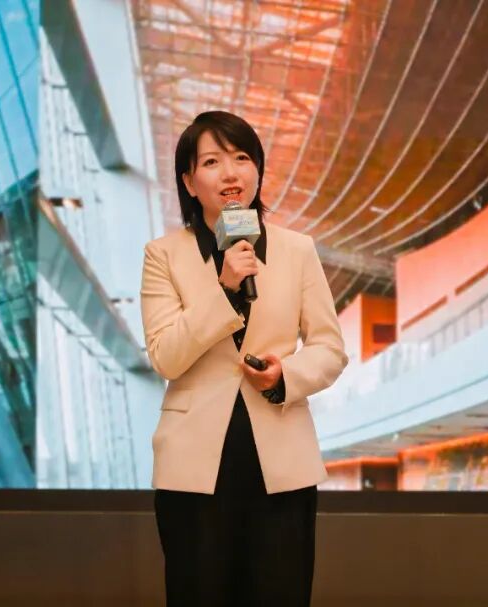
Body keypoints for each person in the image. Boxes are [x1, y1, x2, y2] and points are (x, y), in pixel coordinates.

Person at [140, 111, 349, 606]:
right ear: (189, 181)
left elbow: (329, 348)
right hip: (193, 467)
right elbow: (166, 356)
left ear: (257, 170)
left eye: (241, 158)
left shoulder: (297, 250)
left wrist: (285, 377)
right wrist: (224, 288)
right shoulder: (163, 255)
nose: (230, 173)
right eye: (212, 162)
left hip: (280, 461)